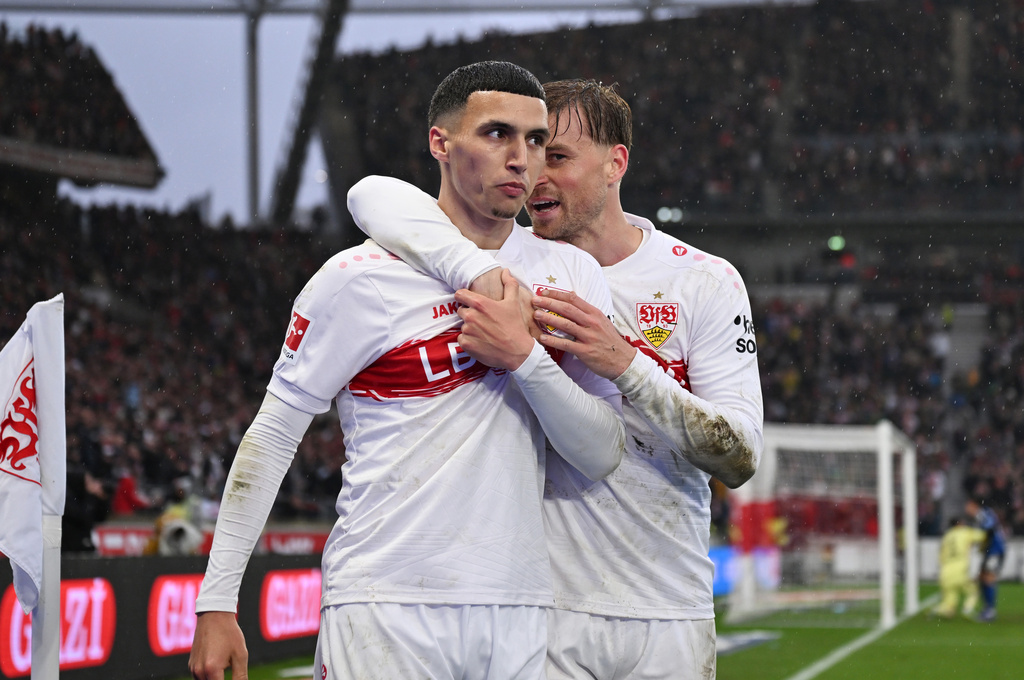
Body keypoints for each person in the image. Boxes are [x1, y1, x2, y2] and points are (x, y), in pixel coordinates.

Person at [189, 61, 625, 680]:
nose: (521, 159)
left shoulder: (571, 276)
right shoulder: (358, 277)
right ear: (440, 144)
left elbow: (602, 451)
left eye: (535, 140)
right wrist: (216, 600)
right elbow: (273, 432)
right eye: (497, 133)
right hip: (383, 604)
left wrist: (526, 360)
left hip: (520, 610)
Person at [349, 78, 764, 679]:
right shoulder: (491, 263)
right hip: (539, 616)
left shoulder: (702, 281)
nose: (535, 173)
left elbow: (740, 456)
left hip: (669, 611)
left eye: (558, 155)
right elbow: (371, 196)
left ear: (616, 163)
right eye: (534, 149)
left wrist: (624, 363)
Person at [933, 515, 985, 619]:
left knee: (950, 601)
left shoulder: (947, 536)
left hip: (945, 571)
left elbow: (941, 556)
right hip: (960, 570)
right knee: (973, 592)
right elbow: (983, 536)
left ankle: (939, 611)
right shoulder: (965, 532)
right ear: (959, 523)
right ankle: (968, 609)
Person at [965, 497, 1006, 621]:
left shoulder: (983, 514)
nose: (966, 509)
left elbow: (990, 528)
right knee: (983, 578)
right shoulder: (981, 515)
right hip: (989, 551)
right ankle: (987, 608)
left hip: (995, 550)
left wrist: (977, 538)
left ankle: (990, 611)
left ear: (974, 505)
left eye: (968, 505)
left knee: (988, 578)